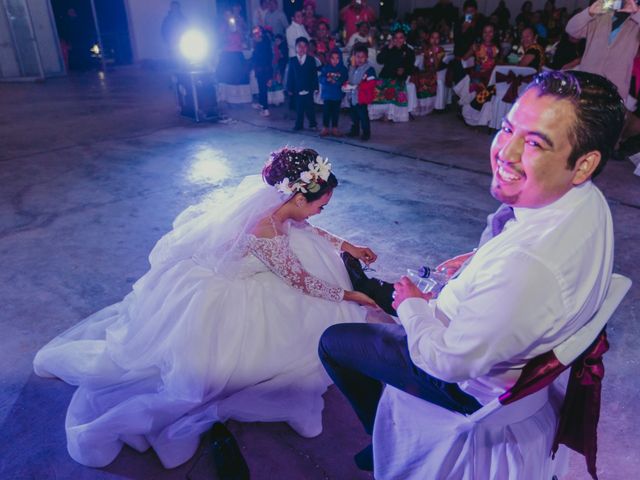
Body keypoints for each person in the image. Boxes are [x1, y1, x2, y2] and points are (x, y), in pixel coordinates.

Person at [319, 70, 626, 473]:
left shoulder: (526, 270)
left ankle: (380, 436)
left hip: (465, 384)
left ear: (584, 163)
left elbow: (446, 362)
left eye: (534, 143)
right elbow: (519, 248)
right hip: (500, 344)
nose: (505, 152)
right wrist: (478, 257)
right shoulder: (587, 202)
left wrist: (413, 308)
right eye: (507, 128)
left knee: (334, 341)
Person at [33, 147, 382, 469]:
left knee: (315, 268)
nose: (322, 210)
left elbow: (307, 225)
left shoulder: (283, 208)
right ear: (299, 194)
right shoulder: (266, 227)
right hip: (227, 292)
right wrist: (353, 296)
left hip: (251, 268)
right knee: (302, 315)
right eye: (321, 203)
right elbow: (300, 281)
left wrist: (347, 245)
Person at [566, 0, 640, 106]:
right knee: (580, 120)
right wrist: (589, 12)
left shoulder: (636, 21)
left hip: (615, 89)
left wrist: (637, 12)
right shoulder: (600, 15)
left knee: (608, 122)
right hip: (587, 84)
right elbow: (571, 30)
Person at [287, 37, 319, 131]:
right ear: (295, 48)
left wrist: (316, 87)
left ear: (307, 48)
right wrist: (289, 88)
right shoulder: (292, 60)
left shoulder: (311, 60)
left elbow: (314, 75)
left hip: (308, 88)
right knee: (299, 108)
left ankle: (312, 123)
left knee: (310, 107)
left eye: (304, 46)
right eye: (299, 46)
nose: (302, 48)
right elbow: (290, 76)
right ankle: (298, 124)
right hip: (297, 88)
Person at [346, 43, 377, 140]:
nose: (359, 59)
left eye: (362, 57)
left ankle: (366, 133)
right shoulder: (351, 67)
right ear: (354, 57)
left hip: (362, 97)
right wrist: (346, 85)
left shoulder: (369, 69)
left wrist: (360, 86)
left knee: (363, 116)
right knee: (353, 115)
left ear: (366, 57)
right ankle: (354, 130)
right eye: (357, 56)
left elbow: (372, 82)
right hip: (352, 97)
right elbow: (349, 79)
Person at [319, 48, 348, 136]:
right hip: (327, 95)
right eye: (333, 58)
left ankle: (335, 128)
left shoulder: (343, 69)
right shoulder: (326, 68)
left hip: (337, 95)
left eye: (337, 58)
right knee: (326, 112)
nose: (335, 60)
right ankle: (325, 128)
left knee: (336, 112)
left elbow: (345, 79)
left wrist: (338, 82)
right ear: (329, 59)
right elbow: (320, 78)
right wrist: (326, 79)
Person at [251, 26, 273, 116]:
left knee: (263, 88)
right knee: (261, 87)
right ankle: (261, 104)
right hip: (262, 69)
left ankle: (265, 108)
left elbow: (262, 58)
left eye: (256, 34)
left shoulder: (263, 45)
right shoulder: (262, 44)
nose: (254, 37)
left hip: (264, 69)